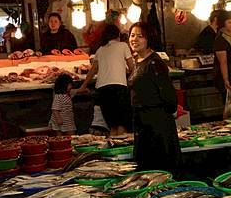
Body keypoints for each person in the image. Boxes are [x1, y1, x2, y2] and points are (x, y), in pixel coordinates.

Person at [129, 21, 181, 171]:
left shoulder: (155, 63)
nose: (134, 39)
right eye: (132, 35)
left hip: (157, 126)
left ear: (149, 39)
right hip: (143, 125)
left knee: (160, 170)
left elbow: (169, 96)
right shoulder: (138, 61)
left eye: (140, 36)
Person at [77, 24, 134, 136]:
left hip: (102, 91)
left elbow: (93, 70)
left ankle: (113, 145)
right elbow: (132, 68)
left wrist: (83, 86)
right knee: (122, 124)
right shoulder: (123, 46)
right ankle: (120, 145)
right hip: (119, 88)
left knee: (112, 125)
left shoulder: (100, 50)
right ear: (118, 35)